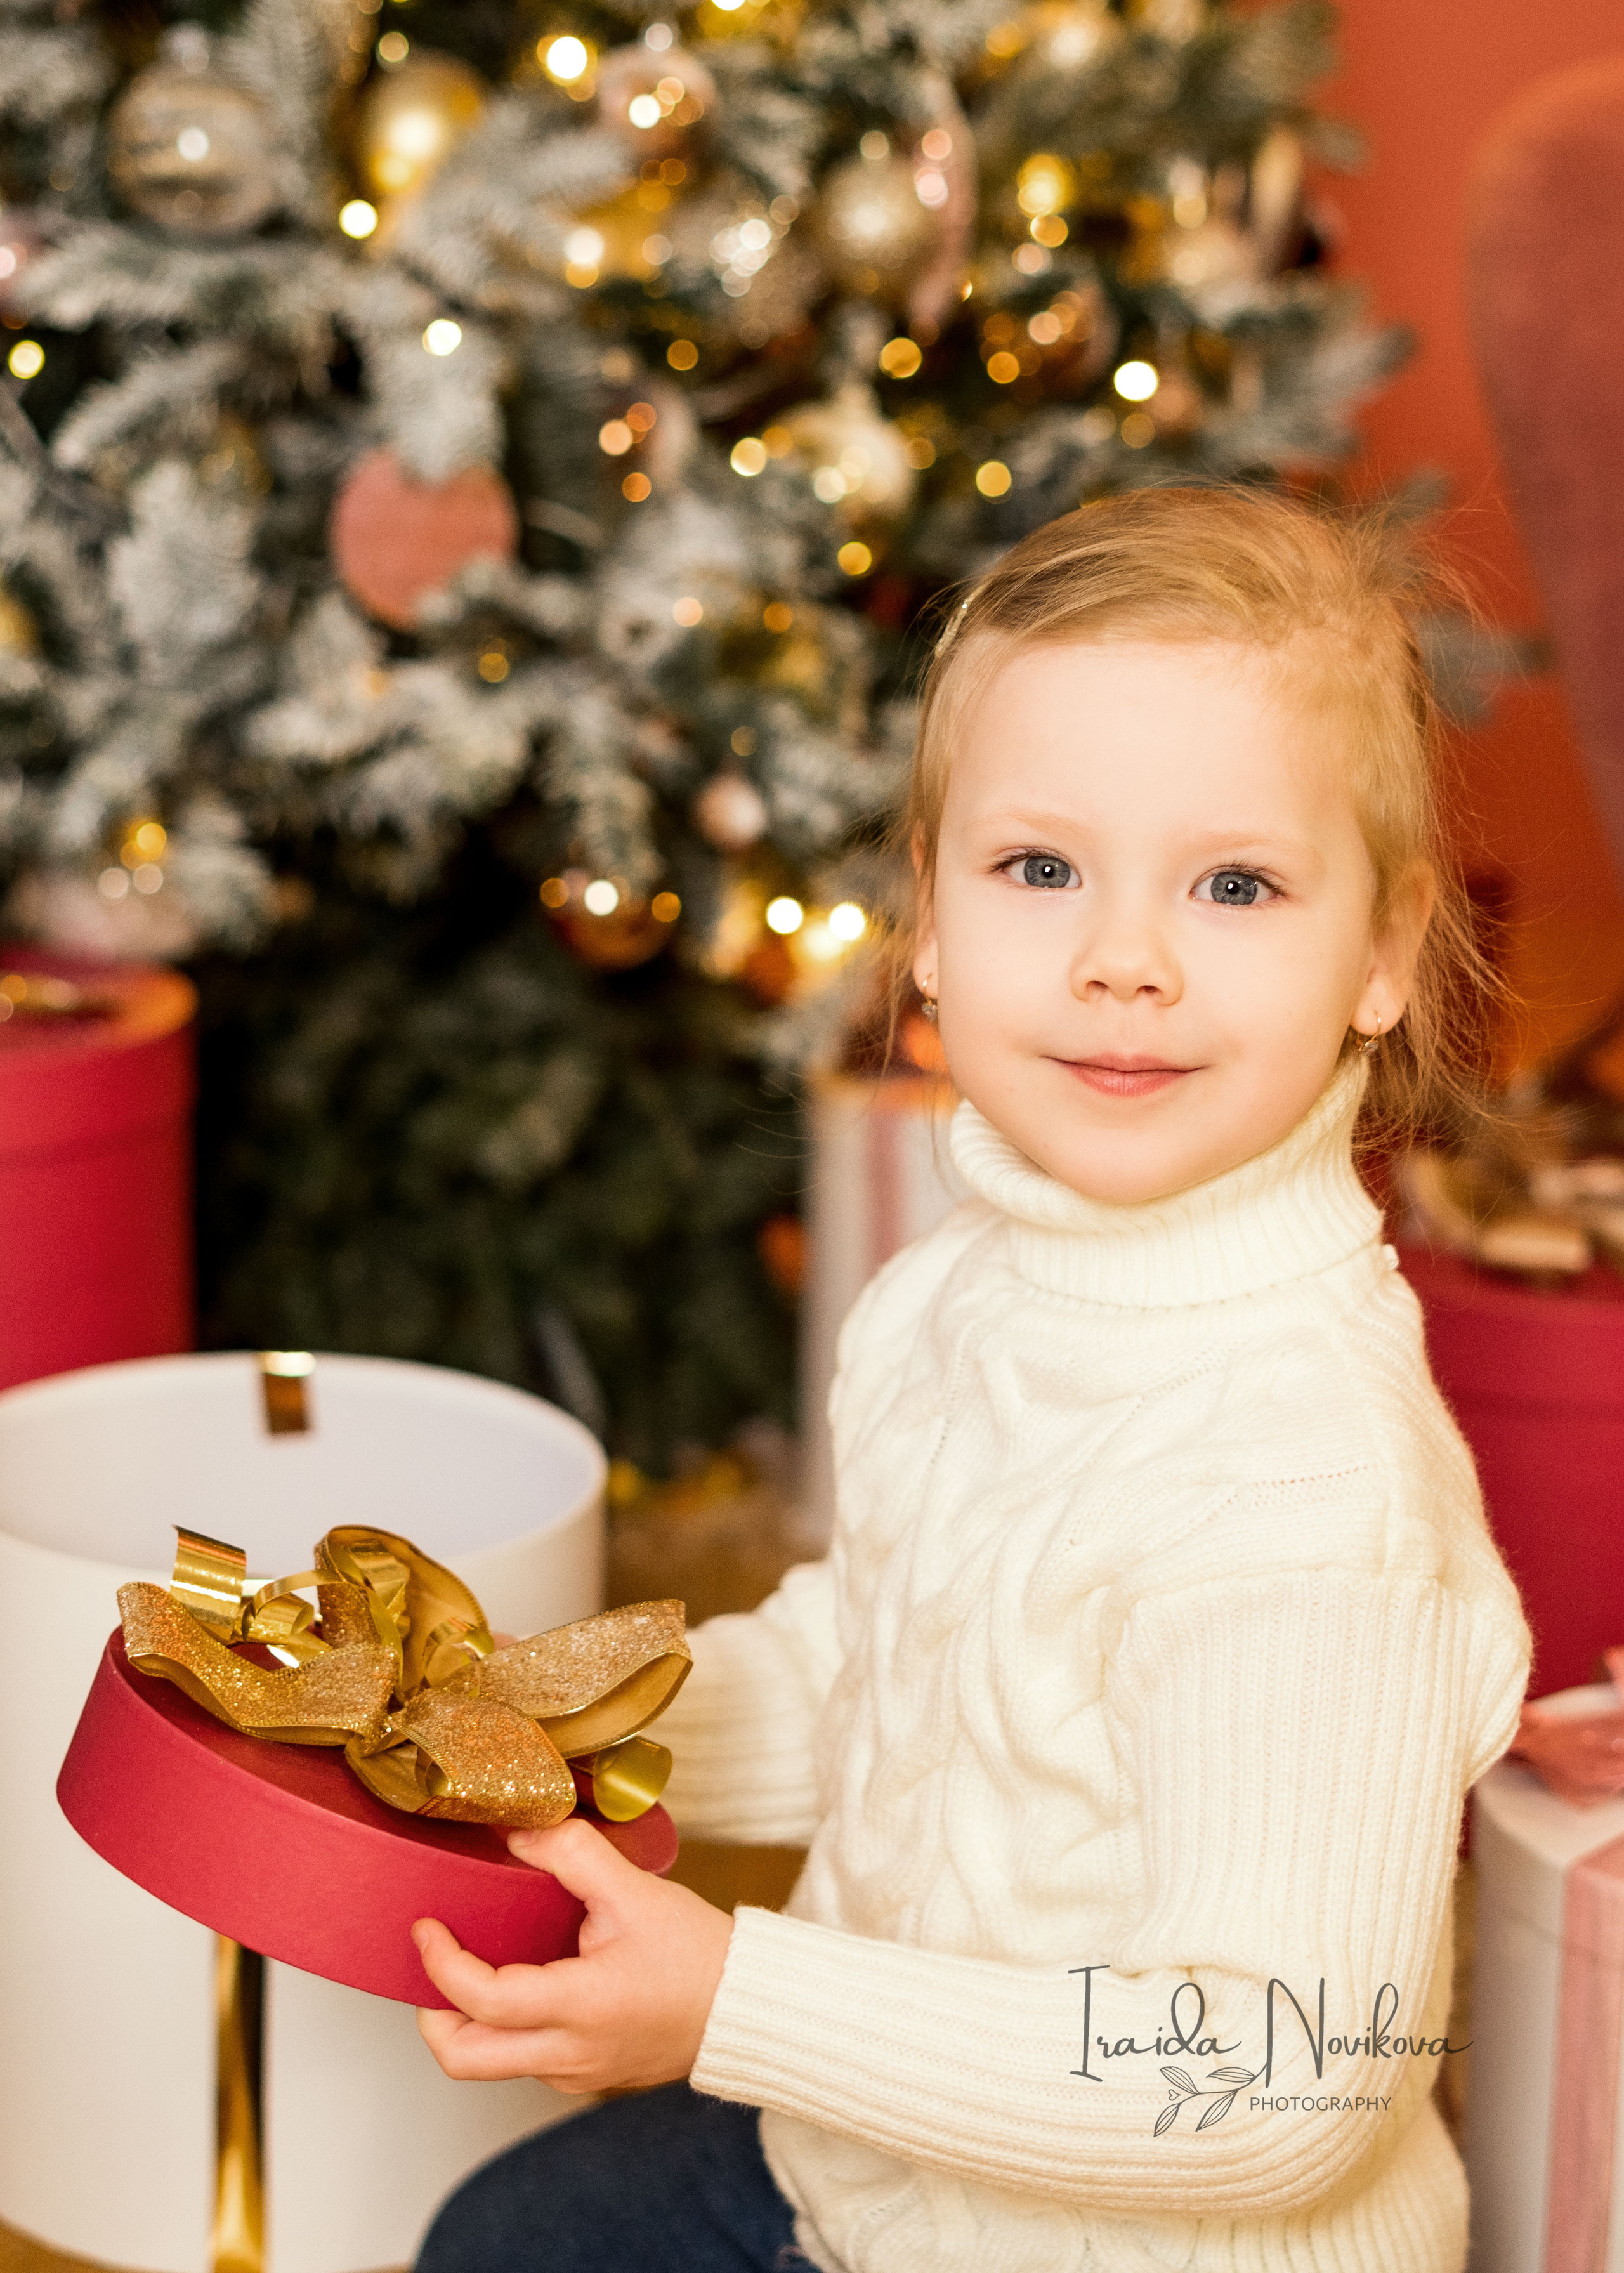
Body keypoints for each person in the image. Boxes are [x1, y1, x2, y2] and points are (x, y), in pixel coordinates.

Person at [411, 485, 1532, 2273]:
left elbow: (1278, 2079)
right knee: (501, 2245)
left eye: (1233, 883)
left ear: (1385, 954)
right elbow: (886, 1661)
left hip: (1158, 2255)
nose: (1123, 958)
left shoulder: (1304, 1486)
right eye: (1038, 868)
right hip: (873, 2173)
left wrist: (735, 2000)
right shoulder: (952, 1305)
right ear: (926, 921)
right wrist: (590, 1731)